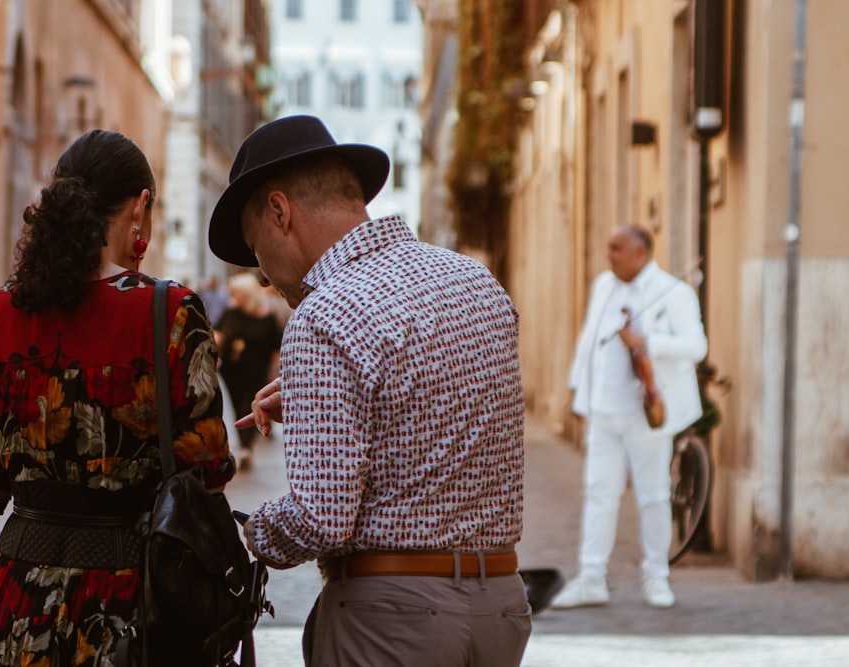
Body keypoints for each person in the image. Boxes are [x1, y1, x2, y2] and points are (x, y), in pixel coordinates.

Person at [208, 114, 531, 666]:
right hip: (500, 607)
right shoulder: (478, 282)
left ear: (280, 212)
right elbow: (445, 418)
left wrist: (246, 532)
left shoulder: (324, 315)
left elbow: (321, 518)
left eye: (255, 247)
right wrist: (334, 404)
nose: (262, 278)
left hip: (392, 621)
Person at [0, 129, 234, 665]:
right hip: (127, 606)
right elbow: (205, 470)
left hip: (14, 598)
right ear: (141, 207)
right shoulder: (171, 313)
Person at [551, 225, 707, 610]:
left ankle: (657, 577)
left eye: (616, 248)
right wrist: (577, 386)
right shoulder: (604, 285)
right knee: (598, 493)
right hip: (604, 409)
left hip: (647, 411)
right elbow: (590, 337)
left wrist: (648, 342)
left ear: (641, 253)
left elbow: (697, 346)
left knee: (653, 495)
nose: (610, 255)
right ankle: (591, 579)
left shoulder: (674, 292)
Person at [213, 271, 282, 471]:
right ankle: (244, 445)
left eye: (237, 293)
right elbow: (217, 332)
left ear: (247, 293)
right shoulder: (231, 312)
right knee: (236, 404)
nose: (234, 297)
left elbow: (276, 346)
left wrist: (275, 370)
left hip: (257, 370)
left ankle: (246, 446)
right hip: (232, 371)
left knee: (250, 403)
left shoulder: (267, 316)